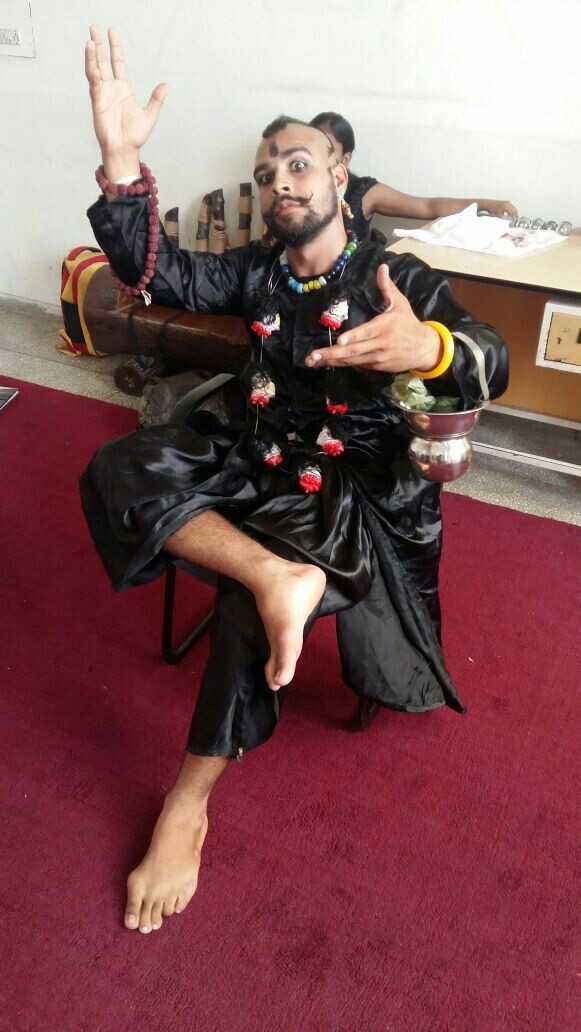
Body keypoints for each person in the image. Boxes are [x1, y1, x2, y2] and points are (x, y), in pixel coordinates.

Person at [81, 25, 508, 936]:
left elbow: (489, 355)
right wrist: (120, 164)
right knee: (118, 462)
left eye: (299, 163)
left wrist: (427, 346)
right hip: (255, 454)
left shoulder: (394, 275)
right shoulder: (257, 272)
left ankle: (187, 803)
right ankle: (273, 574)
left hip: (351, 492)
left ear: (340, 177)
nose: (279, 179)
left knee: (242, 609)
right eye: (266, 170)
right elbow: (160, 271)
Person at [310, 112, 518, 242]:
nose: (314, 154)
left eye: (326, 148)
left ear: (345, 159)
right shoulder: (296, 190)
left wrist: (486, 204)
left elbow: (427, 206)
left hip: (352, 287)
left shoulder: (363, 192)